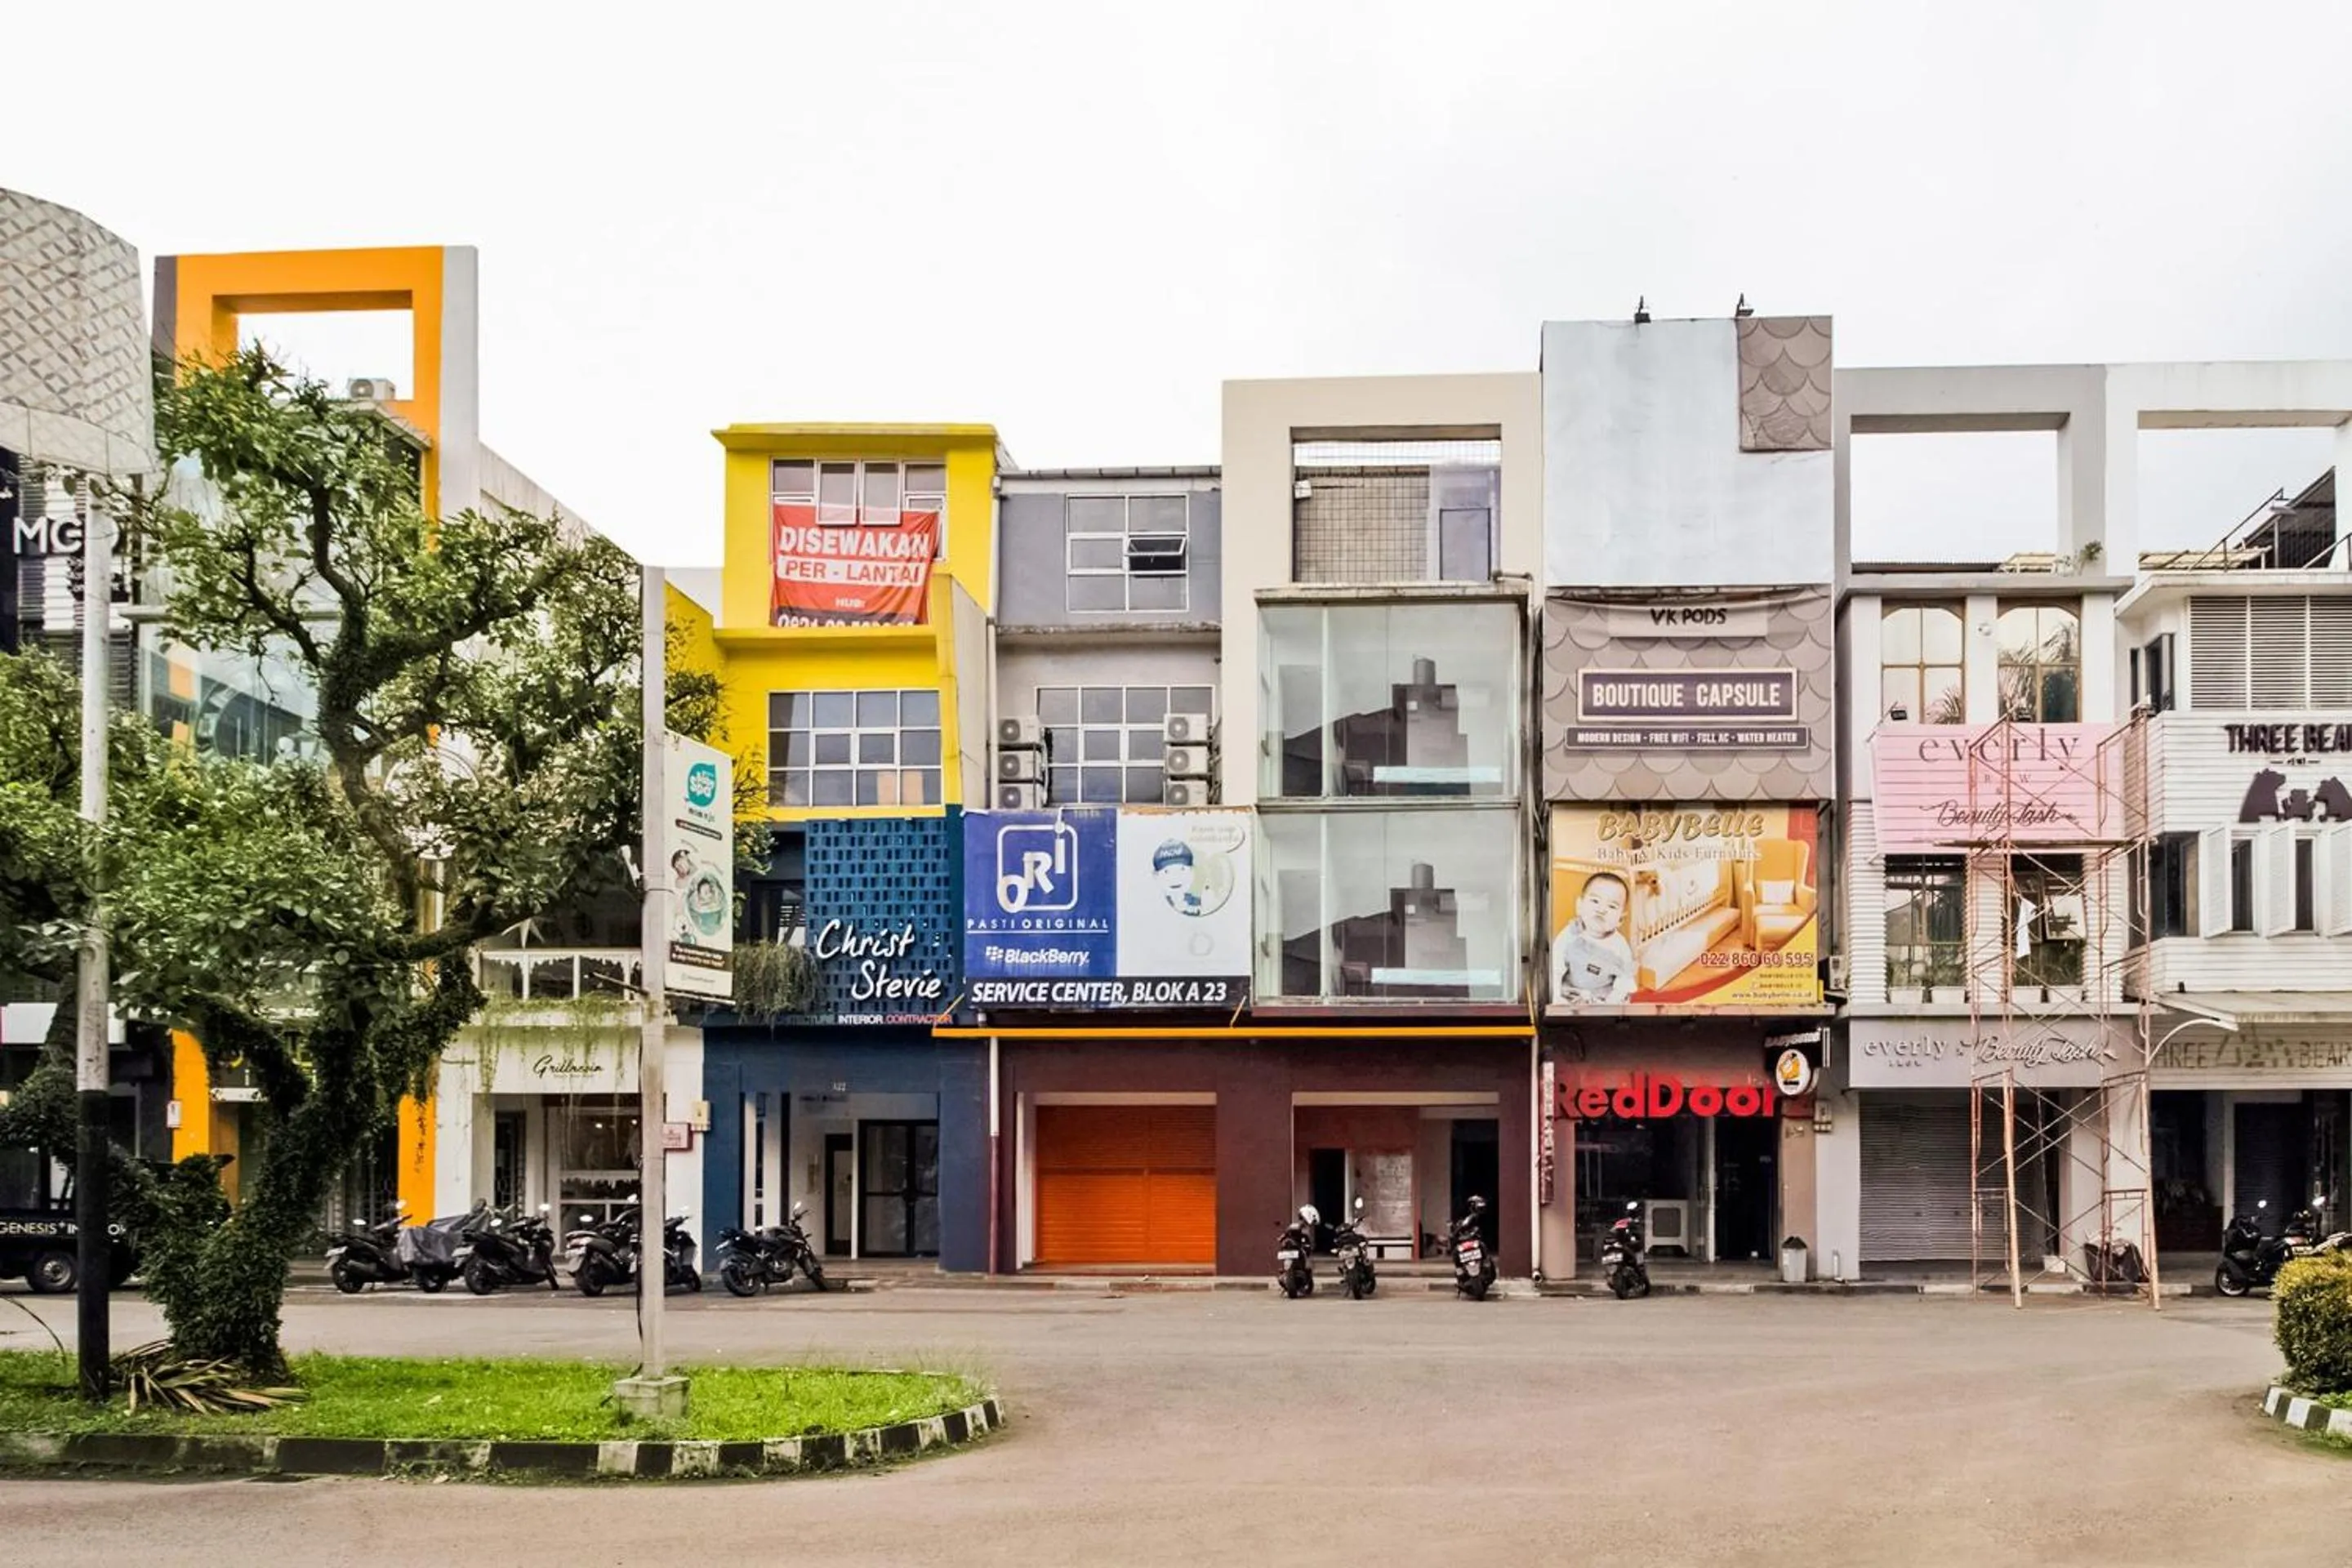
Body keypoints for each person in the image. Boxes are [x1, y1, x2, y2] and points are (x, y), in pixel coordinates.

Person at [1553, 871, 1636, 1003]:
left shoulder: (1620, 947)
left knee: (1622, 1003)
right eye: (1595, 901)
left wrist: (1609, 1005)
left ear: (1620, 919)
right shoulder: (1570, 934)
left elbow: (1624, 982)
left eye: (1612, 906)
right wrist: (1557, 999)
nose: (1601, 909)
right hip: (1571, 992)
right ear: (1579, 906)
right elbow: (1555, 970)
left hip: (1603, 997)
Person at [1152, 838, 1204, 915]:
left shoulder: (1197, 899)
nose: (1175, 878)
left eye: (1182, 869)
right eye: (1166, 872)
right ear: (1156, 876)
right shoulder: (1154, 903)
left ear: (1193, 871)